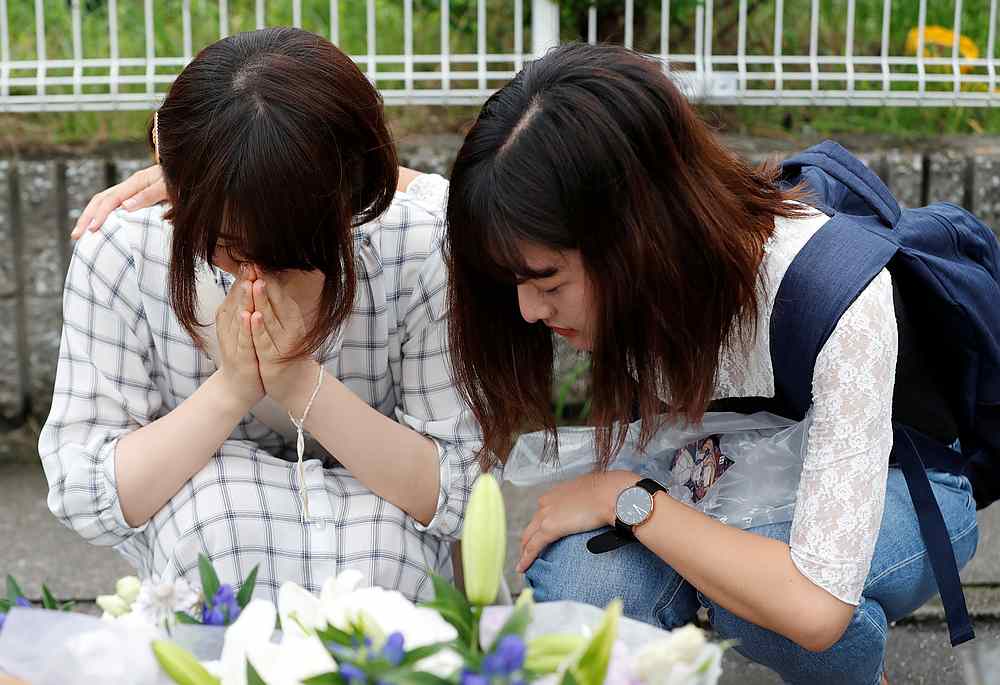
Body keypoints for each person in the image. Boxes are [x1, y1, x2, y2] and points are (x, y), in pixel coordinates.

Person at [442, 42, 978, 684]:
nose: (529, 311)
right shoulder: (641, 282)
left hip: (899, 485)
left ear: (638, 234)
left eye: (549, 281)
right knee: (587, 584)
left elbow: (814, 608)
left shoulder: (832, 293)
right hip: (714, 480)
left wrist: (625, 496)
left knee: (764, 598)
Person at [41, 27, 480, 603]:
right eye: (224, 243)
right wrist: (232, 388)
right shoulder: (123, 253)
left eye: (290, 251)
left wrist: (300, 383)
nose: (254, 272)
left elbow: (460, 492)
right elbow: (85, 489)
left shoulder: (417, 247)